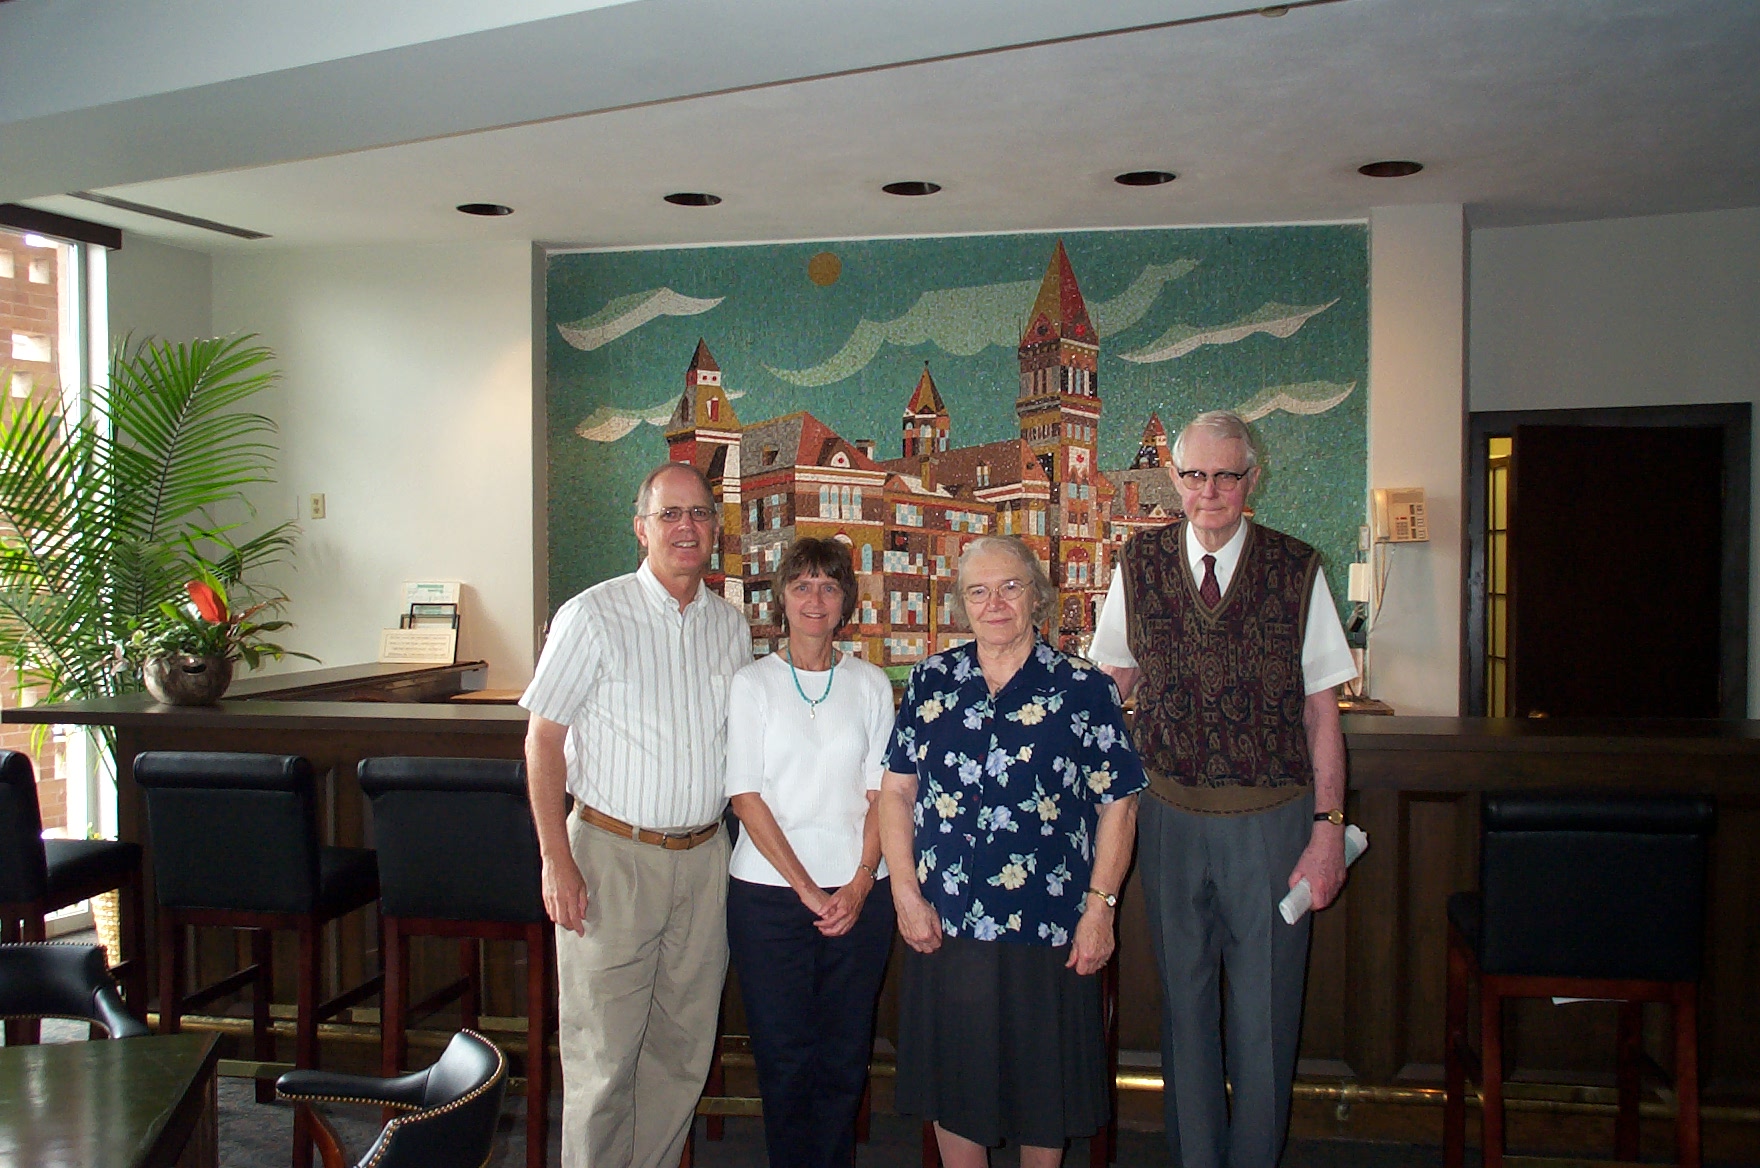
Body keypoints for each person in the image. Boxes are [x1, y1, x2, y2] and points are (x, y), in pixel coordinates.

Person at [1089, 410, 1357, 1168]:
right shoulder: (1137, 564)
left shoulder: (1297, 568)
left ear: (1252, 479)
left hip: (1273, 825)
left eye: (1226, 476)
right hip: (1167, 819)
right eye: (1195, 476)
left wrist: (1329, 827)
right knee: (1184, 1013)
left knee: (1266, 1019)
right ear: (1174, 479)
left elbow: (1322, 713)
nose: (1209, 491)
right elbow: (1111, 685)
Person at [879, 534, 1146, 1168]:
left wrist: (1101, 908)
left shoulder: (1083, 688)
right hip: (945, 923)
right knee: (955, 1085)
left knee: (1042, 1088)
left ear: (1036, 597)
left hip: (1049, 927)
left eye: (1009, 587)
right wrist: (905, 894)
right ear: (962, 603)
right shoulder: (932, 681)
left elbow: (1120, 803)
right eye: (978, 591)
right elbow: (895, 793)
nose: (994, 603)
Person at [520, 461, 752, 1168]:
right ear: (641, 528)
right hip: (610, 858)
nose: (687, 526)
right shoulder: (591, 616)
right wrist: (555, 860)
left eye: (700, 513)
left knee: (681, 1055)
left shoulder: (730, 626)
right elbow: (542, 742)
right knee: (604, 1060)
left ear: (715, 528)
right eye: (669, 513)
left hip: (704, 861)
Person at [724, 537, 897, 1168]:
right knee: (784, 1057)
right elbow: (745, 796)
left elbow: (883, 794)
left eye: (828, 586)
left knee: (845, 1058)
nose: (815, 599)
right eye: (802, 586)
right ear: (782, 599)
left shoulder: (870, 684)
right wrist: (808, 891)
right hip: (770, 900)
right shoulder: (752, 684)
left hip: (860, 898)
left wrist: (858, 882)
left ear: (846, 600)